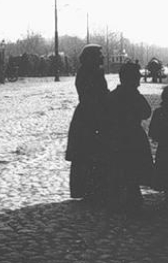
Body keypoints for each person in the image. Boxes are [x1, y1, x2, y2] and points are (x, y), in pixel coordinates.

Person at [65, 45, 113, 201]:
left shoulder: (86, 71)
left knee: (86, 153)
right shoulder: (92, 72)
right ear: (91, 57)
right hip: (92, 116)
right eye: (99, 55)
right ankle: (92, 190)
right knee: (90, 152)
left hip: (87, 115)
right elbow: (96, 94)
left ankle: (88, 189)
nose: (102, 57)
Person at [111, 62, 153, 211]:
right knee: (134, 168)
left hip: (116, 136)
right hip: (134, 136)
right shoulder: (135, 96)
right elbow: (147, 112)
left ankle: (120, 197)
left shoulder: (114, 95)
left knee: (120, 167)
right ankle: (133, 196)